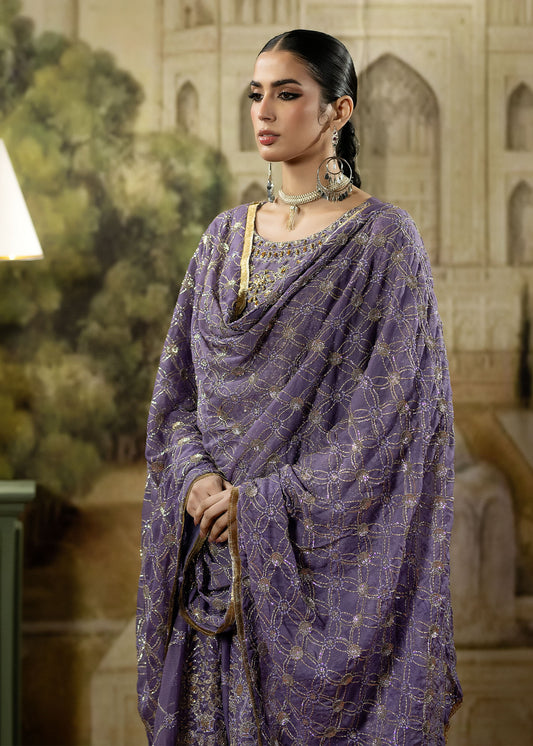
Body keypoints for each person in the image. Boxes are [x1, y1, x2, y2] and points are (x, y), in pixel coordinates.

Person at [137, 29, 462, 746]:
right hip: (211, 559)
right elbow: (177, 394)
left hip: (315, 567)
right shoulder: (223, 238)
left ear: (338, 110)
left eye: (287, 94)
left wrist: (256, 507)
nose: (264, 110)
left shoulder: (383, 241)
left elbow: (391, 422)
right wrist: (196, 482)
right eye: (257, 93)